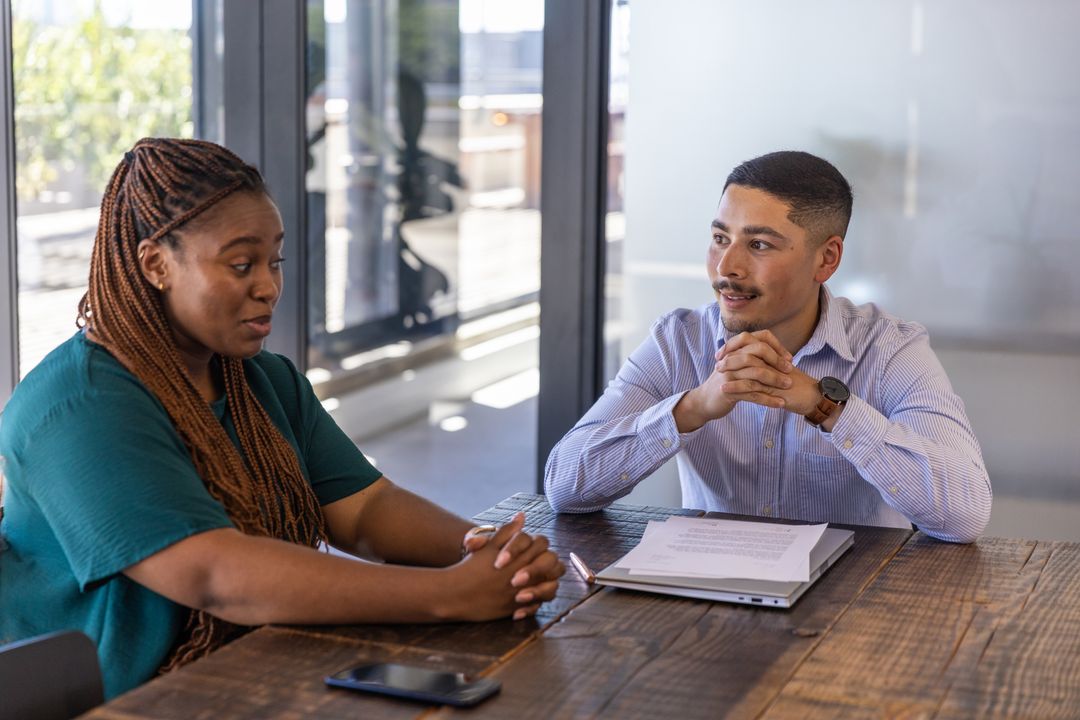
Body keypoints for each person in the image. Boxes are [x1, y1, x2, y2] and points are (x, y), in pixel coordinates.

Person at [0, 138, 564, 699]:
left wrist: (488, 552)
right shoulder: (78, 404)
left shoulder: (262, 381)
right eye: (241, 264)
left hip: (253, 668)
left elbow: (366, 510)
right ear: (156, 264)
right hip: (119, 700)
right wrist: (449, 595)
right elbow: (214, 576)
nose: (269, 287)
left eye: (275, 262)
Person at [545, 151, 991, 543]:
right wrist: (693, 407)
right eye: (721, 238)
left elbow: (965, 514)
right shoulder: (678, 341)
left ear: (826, 259)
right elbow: (565, 486)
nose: (727, 266)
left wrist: (825, 405)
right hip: (711, 607)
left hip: (854, 615)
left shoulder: (890, 348)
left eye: (758, 244)